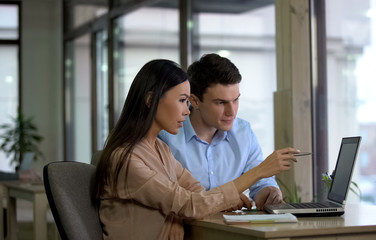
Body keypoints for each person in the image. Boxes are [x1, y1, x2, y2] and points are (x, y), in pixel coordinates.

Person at [94, 59, 299, 240]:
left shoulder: (159, 148)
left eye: (236, 100)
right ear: (150, 100)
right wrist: (259, 172)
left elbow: (197, 193)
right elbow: (189, 204)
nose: (186, 110)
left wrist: (224, 201)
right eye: (182, 100)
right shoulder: (127, 158)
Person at [159, 53, 286, 211]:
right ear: (194, 101)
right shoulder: (166, 136)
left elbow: (261, 183)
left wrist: (269, 192)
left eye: (236, 100)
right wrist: (224, 199)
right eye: (220, 102)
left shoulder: (244, 132)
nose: (231, 112)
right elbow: (166, 197)